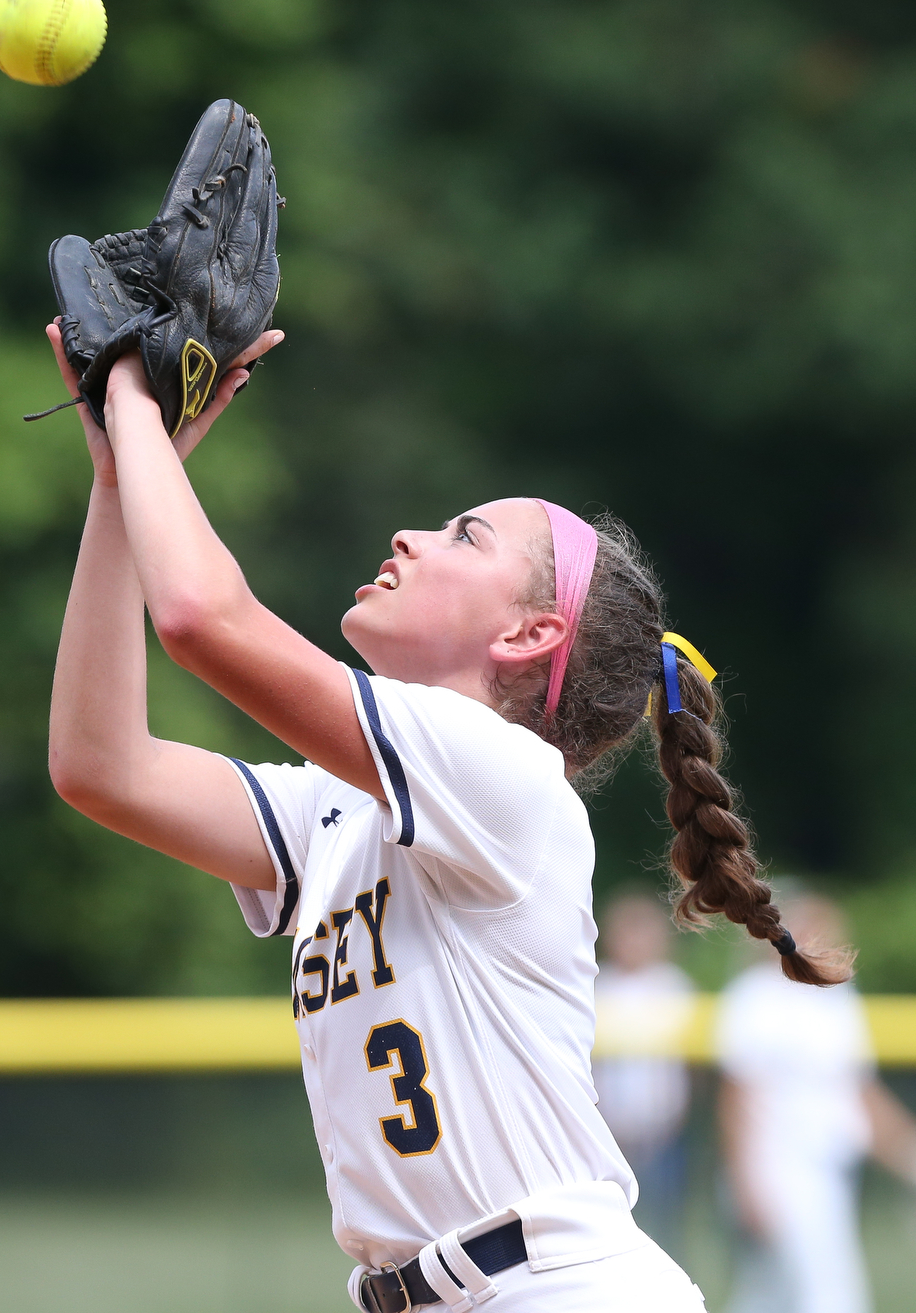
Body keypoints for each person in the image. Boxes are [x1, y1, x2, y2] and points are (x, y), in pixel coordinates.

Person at [45, 318, 850, 1313]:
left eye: (465, 535)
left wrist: (134, 401)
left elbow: (201, 619)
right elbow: (102, 768)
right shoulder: (342, 808)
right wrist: (119, 480)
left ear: (530, 632)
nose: (409, 537)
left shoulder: (504, 774)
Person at [717, 893, 916, 1313]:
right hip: (780, 1168)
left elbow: (859, 1094)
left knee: (768, 1299)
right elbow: (736, 1095)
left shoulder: (836, 997)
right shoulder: (757, 994)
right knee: (831, 1297)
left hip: (829, 1170)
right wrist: (746, 1180)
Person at [593, 893, 695, 1255]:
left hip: (663, 1130)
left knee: (664, 1226)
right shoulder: (598, 984)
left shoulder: (673, 986)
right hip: (607, 1132)